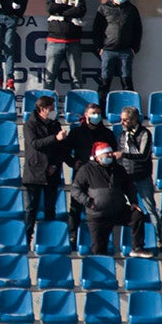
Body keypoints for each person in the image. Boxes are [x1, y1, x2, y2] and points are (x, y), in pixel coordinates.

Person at [70, 141, 152, 257]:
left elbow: (129, 186)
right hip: (98, 215)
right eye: (106, 154)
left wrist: (133, 201)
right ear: (98, 157)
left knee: (136, 215)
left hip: (117, 210)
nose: (110, 156)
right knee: (99, 249)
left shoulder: (118, 169)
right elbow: (75, 190)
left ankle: (137, 248)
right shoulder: (86, 170)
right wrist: (89, 202)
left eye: (110, 153)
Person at [63, 102, 117, 250]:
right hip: (81, 175)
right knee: (75, 207)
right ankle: (73, 238)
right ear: (86, 115)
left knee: (101, 208)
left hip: (101, 177)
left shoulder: (108, 134)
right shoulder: (76, 132)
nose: (96, 116)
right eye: (93, 113)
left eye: (99, 114)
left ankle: (103, 240)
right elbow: (65, 152)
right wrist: (74, 163)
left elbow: (114, 154)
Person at [22, 95, 68, 249]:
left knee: (50, 208)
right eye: (52, 108)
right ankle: (27, 239)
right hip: (34, 172)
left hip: (52, 172)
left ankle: (49, 240)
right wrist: (55, 138)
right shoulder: (30, 125)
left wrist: (55, 165)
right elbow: (35, 144)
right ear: (42, 109)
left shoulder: (55, 124)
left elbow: (60, 149)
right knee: (32, 208)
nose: (54, 111)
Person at [92, 0, 142, 107]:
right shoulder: (103, 8)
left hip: (126, 51)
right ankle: (101, 109)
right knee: (104, 82)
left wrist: (134, 48)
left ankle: (130, 110)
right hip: (108, 51)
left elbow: (138, 30)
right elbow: (97, 30)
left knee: (127, 81)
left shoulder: (131, 9)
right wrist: (99, 48)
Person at [116, 107, 161, 247]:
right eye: (121, 119)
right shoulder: (122, 135)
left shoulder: (145, 134)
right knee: (124, 209)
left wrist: (123, 155)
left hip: (142, 177)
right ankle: (128, 241)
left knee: (150, 208)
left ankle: (158, 238)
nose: (122, 122)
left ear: (135, 120)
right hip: (126, 178)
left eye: (125, 120)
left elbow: (143, 155)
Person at [43, 0, 86, 92]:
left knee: (76, 77)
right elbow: (51, 8)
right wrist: (71, 10)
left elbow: (80, 11)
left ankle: (77, 107)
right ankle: (46, 105)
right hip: (54, 42)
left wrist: (61, 11)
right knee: (49, 77)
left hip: (73, 43)